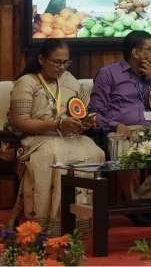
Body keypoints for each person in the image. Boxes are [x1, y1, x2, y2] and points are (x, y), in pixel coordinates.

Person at [5, 39, 105, 236]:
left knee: (95, 152)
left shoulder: (69, 80)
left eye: (66, 62)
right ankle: (43, 225)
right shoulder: (27, 82)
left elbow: (82, 111)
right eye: (57, 62)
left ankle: (80, 220)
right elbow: (19, 122)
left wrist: (84, 123)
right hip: (35, 137)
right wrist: (57, 124)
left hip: (68, 136)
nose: (62, 67)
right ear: (41, 59)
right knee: (53, 154)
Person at [89, 30, 151, 227]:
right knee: (128, 155)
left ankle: (137, 203)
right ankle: (140, 206)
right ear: (136, 52)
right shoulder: (108, 74)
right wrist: (116, 125)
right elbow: (94, 113)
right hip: (121, 132)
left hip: (150, 131)